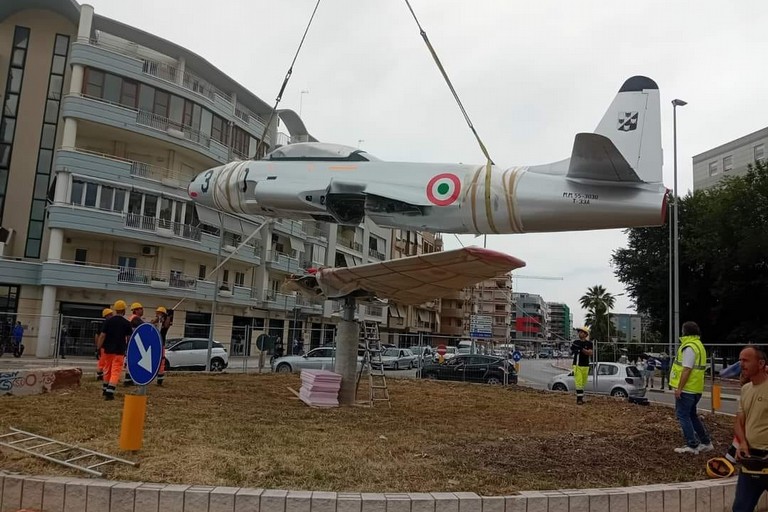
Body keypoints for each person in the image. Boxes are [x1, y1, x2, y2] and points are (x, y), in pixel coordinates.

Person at [731, 346, 768, 511]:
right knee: (740, 508)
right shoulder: (745, 389)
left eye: (746, 360)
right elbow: (739, 421)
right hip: (750, 460)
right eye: (740, 360)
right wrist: (742, 443)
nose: (741, 364)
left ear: (761, 363)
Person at [670, 321, 713, 454]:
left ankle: (692, 445)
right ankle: (706, 442)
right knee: (692, 415)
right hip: (696, 388)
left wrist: (679, 388)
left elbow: (687, 369)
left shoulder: (689, 347)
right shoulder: (699, 345)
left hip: (687, 389)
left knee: (683, 415)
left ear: (684, 332)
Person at [96, 300, 132, 400]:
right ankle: (110, 392)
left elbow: (102, 335)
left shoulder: (108, 321)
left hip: (108, 350)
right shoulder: (126, 323)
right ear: (124, 310)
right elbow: (129, 338)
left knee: (107, 369)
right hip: (119, 350)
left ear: (116, 310)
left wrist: (98, 348)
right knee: (116, 371)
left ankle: (105, 388)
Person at [570, 326, 593, 405]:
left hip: (585, 365)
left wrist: (582, 349)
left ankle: (581, 398)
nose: (580, 333)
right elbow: (572, 350)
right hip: (577, 364)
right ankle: (579, 399)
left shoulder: (589, 343)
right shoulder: (575, 342)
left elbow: (590, 353)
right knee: (578, 382)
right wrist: (576, 349)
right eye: (579, 332)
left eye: (582, 332)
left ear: (586, 334)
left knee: (583, 383)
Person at [123, 302, 145, 386]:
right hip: (134, 343)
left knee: (130, 362)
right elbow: (144, 326)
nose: (142, 310)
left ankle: (128, 379)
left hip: (131, 342)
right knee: (132, 362)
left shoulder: (132, 318)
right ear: (136, 310)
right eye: (140, 309)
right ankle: (128, 380)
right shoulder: (136, 319)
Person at [151, 306, 172, 386]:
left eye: (159, 313)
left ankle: (159, 380)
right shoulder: (155, 321)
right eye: (157, 313)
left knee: (161, 361)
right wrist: (157, 319)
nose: (157, 314)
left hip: (161, 343)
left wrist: (168, 316)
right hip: (154, 343)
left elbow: (166, 326)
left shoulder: (165, 322)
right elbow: (151, 323)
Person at [95, 308, 113, 381]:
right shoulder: (105, 324)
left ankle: (102, 375)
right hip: (104, 346)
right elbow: (98, 335)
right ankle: (100, 375)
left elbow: (97, 335)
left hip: (105, 346)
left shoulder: (106, 324)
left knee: (103, 361)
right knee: (102, 361)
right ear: (107, 315)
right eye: (111, 314)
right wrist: (98, 347)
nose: (112, 315)